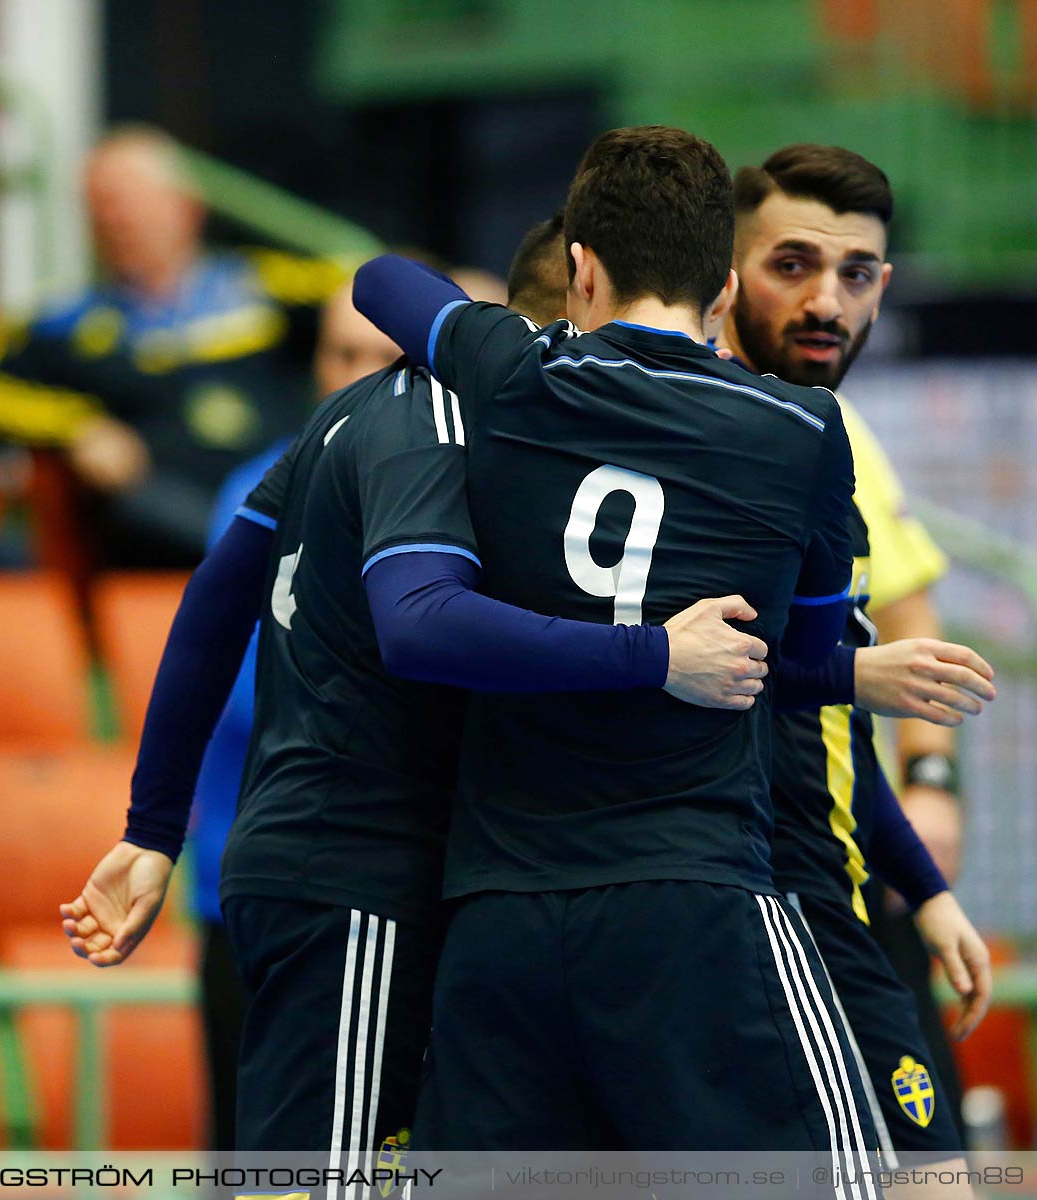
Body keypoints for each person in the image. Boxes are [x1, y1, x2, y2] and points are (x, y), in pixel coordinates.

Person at [62, 215, 778, 1162]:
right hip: (357, 877)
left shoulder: (344, 417)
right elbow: (418, 623)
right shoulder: (432, 420)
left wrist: (152, 827)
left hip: (332, 868)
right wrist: (655, 656)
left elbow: (211, 603)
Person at [351, 125, 886, 1164]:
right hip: (691, 900)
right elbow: (803, 650)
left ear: (581, 271)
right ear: (726, 292)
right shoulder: (805, 430)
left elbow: (380, 281)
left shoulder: (513, 370)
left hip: (499, 914)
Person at [722, 145, 994, 1178]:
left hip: (843, 883)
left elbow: (899, 633)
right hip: (726, 903)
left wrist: (929, 804)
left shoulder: (839, 434)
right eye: (791, 265)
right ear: (726, 273)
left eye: (857, 273)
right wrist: (851, 677)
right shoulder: (684, 436)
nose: (827, 300)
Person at [184, 280, 404, 1150]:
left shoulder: (455, 490)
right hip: (255, 888)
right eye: (339, 354)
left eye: (382, 360)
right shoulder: (258, 485)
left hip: (398, 890)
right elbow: (246, 686)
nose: (354, 378)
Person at [0, 127, 346, 567]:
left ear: (188, 208)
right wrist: (75, 427)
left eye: (133, 201)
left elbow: (375, 291)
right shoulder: (70, 323)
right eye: (102, 205)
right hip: (158, 533)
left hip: (283, 501)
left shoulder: (263, 288)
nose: (117, 218)